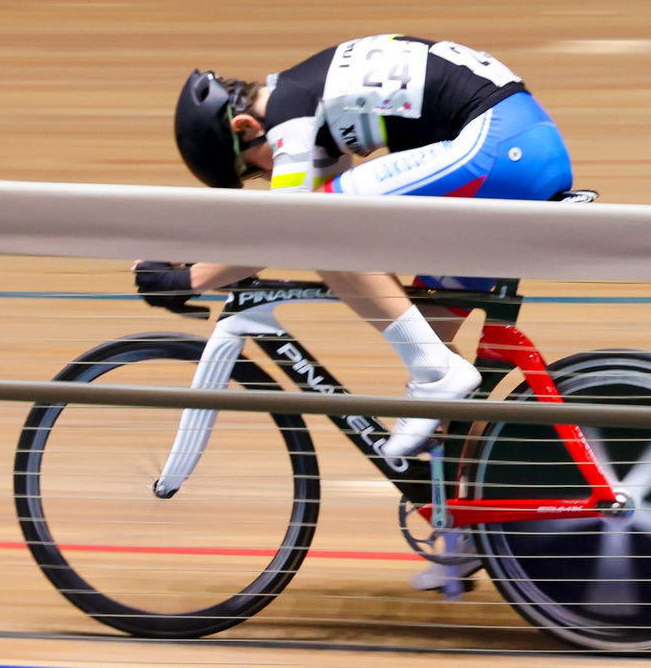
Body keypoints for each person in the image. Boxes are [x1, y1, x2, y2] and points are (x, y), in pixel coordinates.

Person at [139, 36, 574, 588]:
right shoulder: (309, 106)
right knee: (430, 334)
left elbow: (299, 221)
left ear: (247, 129)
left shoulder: (288, 104)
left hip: (500, 145)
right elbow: (280, 217)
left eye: (253, 170)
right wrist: (192, 260)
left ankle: (436, 375)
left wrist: (190, 278)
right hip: (516, 147)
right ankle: (465, 532)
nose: (264, 179)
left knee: (329, 229)